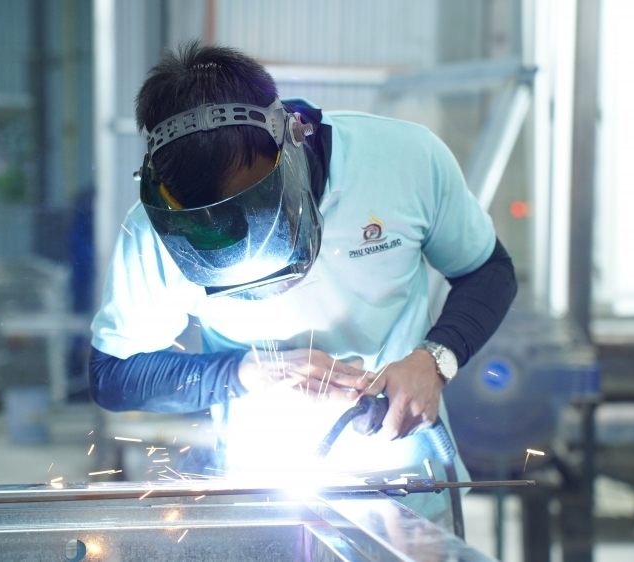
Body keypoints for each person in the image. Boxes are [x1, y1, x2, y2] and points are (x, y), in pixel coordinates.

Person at [89, 42, 517, 531]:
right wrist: (246, 372)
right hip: (259, 495)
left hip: (405, 482)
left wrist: (435, 361)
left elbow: (489, 270)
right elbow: (113, 375)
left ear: (293, 137)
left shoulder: (403, 160)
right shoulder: (153, 231)